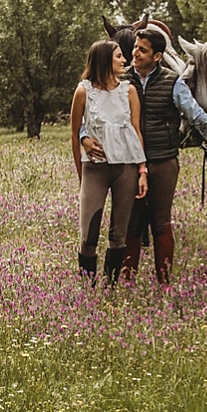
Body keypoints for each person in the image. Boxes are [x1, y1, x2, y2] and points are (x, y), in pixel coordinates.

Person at [81, 25, 207, 284]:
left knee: (161, 221)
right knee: (130, 222)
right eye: (134, 49)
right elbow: (94, 111)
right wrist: (84, 137)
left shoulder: (172, 83)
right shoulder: (121, 81)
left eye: (142, 50)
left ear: (157, 56)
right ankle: (127, 280)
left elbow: (197, 116)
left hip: (163, 161)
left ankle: (164, 282)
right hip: (128, 163)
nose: (134, 54)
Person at [69, 39, 147, 286]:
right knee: (88, 235)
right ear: (104, 59)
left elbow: (136, 131)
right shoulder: (84, 91)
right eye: (118, 56)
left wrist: (142, 170)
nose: (125, 60)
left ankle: (110, 286)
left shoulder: (129, 91)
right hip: (95, 170)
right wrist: (81, 173)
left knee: (119, 234)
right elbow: (74, 133)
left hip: (126, 167)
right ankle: (87, 288)